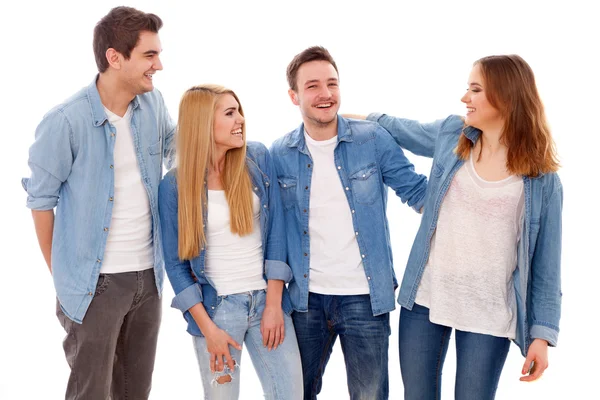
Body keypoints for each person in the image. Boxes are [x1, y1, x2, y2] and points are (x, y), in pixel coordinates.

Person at [349, 54, 562, 399]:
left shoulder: (542, 181)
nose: (466, 98)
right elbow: (397, 128)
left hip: (489, 315)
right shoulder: (453, 133)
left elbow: (547, 268)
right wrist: (335, 119)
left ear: (506, 96)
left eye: (475, 90)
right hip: (425, 299)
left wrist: (542, 335)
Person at [21, 6, 175, 399]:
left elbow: (179, 151)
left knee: (134, 391)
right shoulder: (66, 121)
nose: (158, 64)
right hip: (96, 286)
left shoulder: (153, 106)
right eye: (149, 55)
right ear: (114, 57)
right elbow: (41, 202)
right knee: (91, 393)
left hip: (149, 278)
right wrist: (65, 276)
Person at [269, 46, 428, 399]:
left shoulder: (372, 139)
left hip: (364, 297)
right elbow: (272, 234)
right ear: (293, 96)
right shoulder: (278, 154)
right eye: (312, 86)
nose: (325, 94)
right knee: (297, 394)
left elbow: (418, 194)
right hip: (304, 300)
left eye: (332, 83)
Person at [158, 84, 303, 399]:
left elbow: (277, 231)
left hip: (267, 301)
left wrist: (275, 304)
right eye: (229, 113)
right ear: (203, 124)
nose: (240, 119)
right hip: (217, 311)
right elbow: (174, 264)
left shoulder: (257, 158)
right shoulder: (173, 186)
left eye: (239, 111)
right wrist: (208, 331)